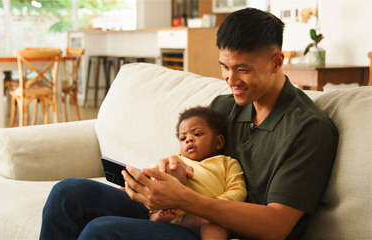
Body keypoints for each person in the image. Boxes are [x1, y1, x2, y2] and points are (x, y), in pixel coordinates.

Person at [40, 8, 338, 240]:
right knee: (68, 194)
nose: (230, 80)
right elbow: (194, 167)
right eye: (224, 66)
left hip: (223, 233)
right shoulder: (224, 108)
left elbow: (277, 226)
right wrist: (163, 178)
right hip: (185, 215)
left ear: (276, 62)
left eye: (242, 69)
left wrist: (186, 198)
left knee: (101, 232)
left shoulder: (308, 129)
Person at [149, 106, 246, 240]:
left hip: (208, 213)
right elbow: (153, 178)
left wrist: (211, 203)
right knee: (170, 169)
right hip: (178, 215)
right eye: (183, 138)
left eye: (197, 134)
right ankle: (157, 216)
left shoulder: (226, 163)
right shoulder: (176, 160)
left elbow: (238, 191)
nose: (188, 139)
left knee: (213, 220)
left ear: (218, 142)